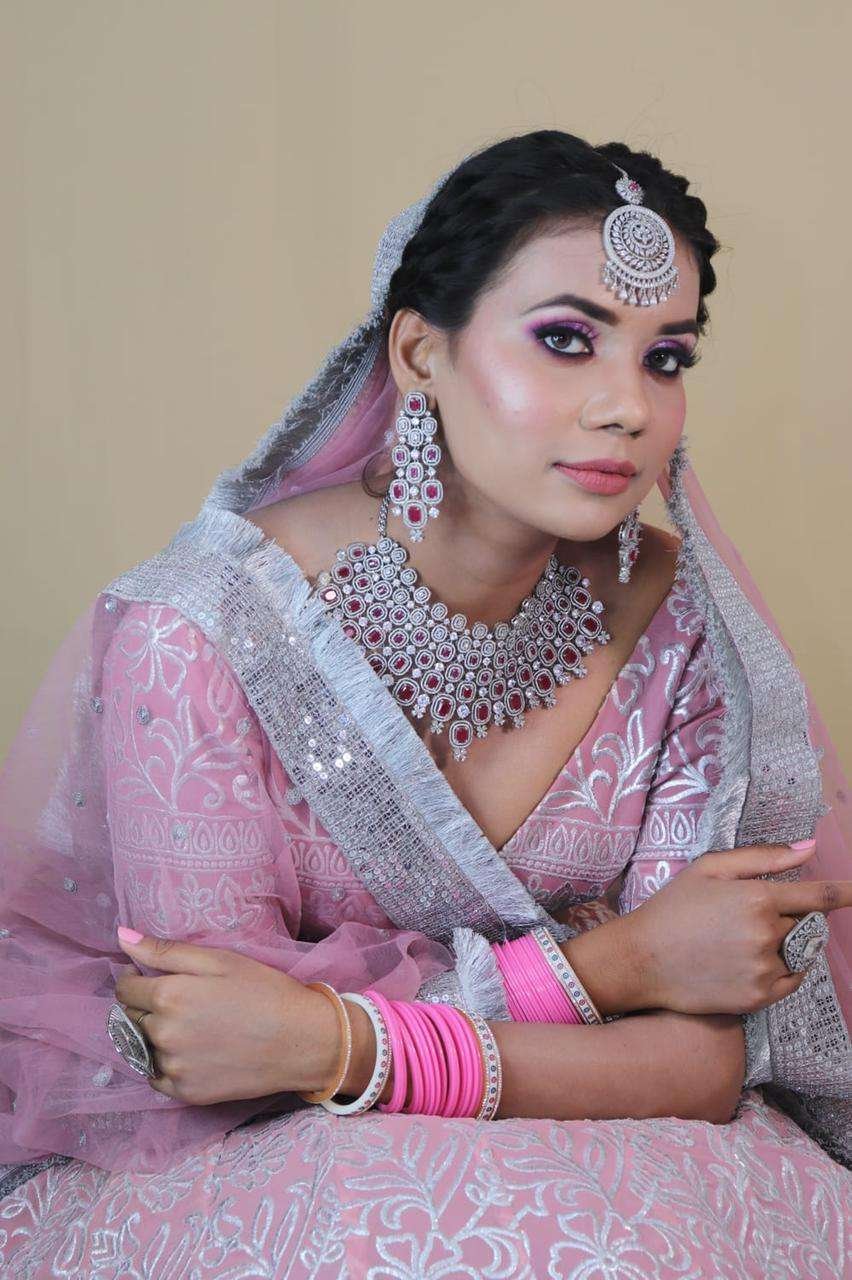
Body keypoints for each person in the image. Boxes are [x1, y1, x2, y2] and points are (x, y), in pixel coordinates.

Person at [0, 130, 849, 1278]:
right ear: (418, 352)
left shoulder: (683, 621)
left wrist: (334, 1039)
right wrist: (609, 968)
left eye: (666, 357)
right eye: (567, 339)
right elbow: (218, 1052)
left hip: (627, 1153)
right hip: (269, 1167)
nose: (627, 406)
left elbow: (701, 1064)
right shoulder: (200, 632)